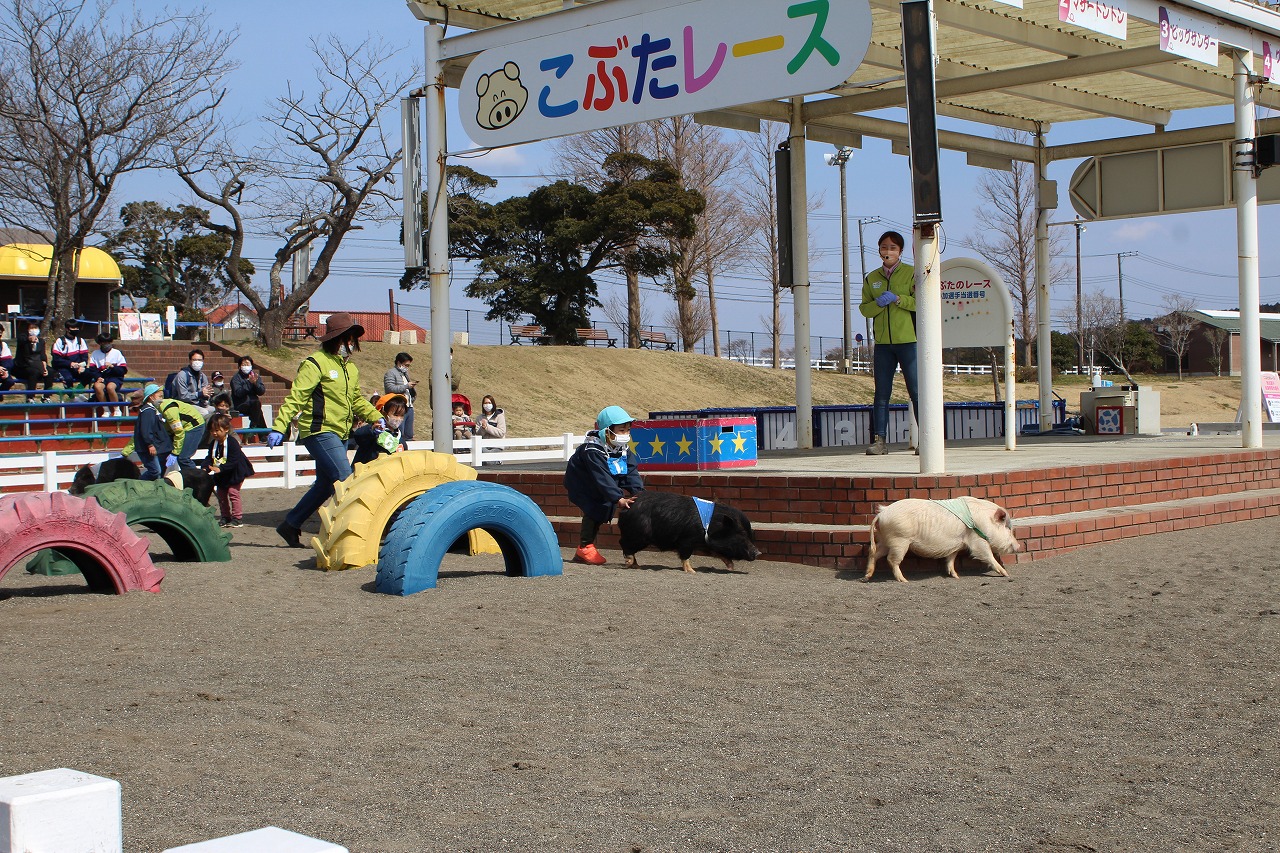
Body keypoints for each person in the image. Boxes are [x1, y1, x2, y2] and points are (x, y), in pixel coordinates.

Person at [268, 312, 384, 548]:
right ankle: (347, 534)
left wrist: (377, 417)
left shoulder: (350, 369)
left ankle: (291, 524)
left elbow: (356, 400)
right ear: (335, 338)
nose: (351, 344)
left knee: (325, 485)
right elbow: (297, 397)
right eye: (347, 338)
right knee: (345, 479)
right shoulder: (314, 363)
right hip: (318, 431)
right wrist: (279, 426)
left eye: (353, 339)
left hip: (340, 433)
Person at [859, 230, 920, 456]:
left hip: (909, 341)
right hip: (883, 343)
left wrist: (898, 299)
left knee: (916, 391)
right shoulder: (871, 278)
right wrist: (879, 304)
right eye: (884, 247)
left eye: (893, 248)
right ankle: (880, 441)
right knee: (881, 393)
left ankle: (926, 439)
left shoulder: (911, 274)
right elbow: (864, 308)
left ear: (901, 251)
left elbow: (920, 302)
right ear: (879, 250)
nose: (888, 251)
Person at [563, 405, 643, 565]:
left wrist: (640, 495)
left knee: (606, 504)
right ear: (606, 431)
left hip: (605, 481)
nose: (626, 434)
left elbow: (630, 472)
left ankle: (585, 548)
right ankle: (585, 547)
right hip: (584, 483)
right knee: (596, 506)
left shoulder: (622, 449)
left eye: (628, 430)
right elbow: (601, 477)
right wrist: (619, 498)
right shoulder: (592, 449)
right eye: (621, 430)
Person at [202, 412, 254, 528]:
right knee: (221, 494)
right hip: (222, 474)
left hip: (235, 472)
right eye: (212, 431)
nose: (214, 433)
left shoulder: (232, 443)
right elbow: (209, 457)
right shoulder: (213, 444)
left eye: (217, 430)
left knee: (233, 492)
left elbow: (234, 461)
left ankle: (237, 518)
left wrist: (220, 469)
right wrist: (205, 467)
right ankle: (225, 517)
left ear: (226, 429)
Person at [350, 394, 409, 466]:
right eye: (396, 415)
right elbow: (358, 436)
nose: (399, 419)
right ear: (383, 412)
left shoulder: (399, 438)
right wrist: (372, 430)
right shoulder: (372, 432)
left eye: (402, 415)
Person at [131, 383, 171, 481]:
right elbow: (146, 429)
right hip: (147, 448)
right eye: (159, 396)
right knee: (155, 471)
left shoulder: (153, 410)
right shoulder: (147, 411)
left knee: (159, 472)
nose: (161, 399)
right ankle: (138, 485)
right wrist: (150, 444)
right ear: (151, 397)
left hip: (156, 446)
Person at [88, 332, 128, 417]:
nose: (106, 345)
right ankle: (106, 410)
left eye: (108, 343)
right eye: (104, 343)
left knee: (110, 387)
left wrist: (113, 367)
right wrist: (97, 377)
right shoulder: (95, 354)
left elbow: (123, 370)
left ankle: (116, 409)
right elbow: (92, 369)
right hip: (102, 378)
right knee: (97, 386)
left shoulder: (117, 353)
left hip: (115, 377)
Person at [14, 320, 52, 400]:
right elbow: (21, 339)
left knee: (50, 372)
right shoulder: (23, 339)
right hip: (23, 366)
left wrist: (44, 367)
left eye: (36, 327)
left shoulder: (41, 341)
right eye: (32, 328)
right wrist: (29, 339)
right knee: (34, 372)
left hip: (37, 364)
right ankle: (30, 397)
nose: (34, 330)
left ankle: (46, 397)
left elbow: (43, 356)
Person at [383, 352, 417, 440]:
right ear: (399, 363)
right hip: (398, 407)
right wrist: (406, 386)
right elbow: (390, 388)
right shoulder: (390, 373)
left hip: (409, 407)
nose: (407, 367)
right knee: (399, 432)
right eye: (406, 365)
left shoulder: (405, 374)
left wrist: (412, 395)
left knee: (409, 434)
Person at [230, 355, 267, 433]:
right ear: (239, 366)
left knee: (257, 405)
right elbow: (238, 393)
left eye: (248, 364)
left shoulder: (255, 376)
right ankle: (260, 431)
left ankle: (258, 430)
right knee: (258, 410)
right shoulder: (236, 378)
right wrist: (249, 383)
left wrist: (255, 384)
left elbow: (261, 391)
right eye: (243, 365)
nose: (246, 366)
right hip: (241, 404)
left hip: (254, 405)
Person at [50, 320, 91, 389]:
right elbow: (56, 359)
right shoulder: (60, 341)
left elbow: (85, 357)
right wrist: (70, 363)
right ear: (67, 329)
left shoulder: (80, 340)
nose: (76, 330)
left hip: (78, 368)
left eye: (77, 328)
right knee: (68, 379)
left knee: (89, 373)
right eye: (73, 328)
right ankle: (71, 397)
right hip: (64, 368)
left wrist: (82, 366)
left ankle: (78, 391)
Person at [173, 348, 212, 415]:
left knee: (214, 410)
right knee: (204, 412)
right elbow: (183, 396)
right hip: (183, 405)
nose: (197, 362)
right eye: (194, 360)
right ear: (190, 361)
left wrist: (206, 395)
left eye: (199, 360)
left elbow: (205, 393)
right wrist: (199, 394)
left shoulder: (203, 376)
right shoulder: (182, 375)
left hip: (198, 404)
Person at [473, 394, 507, 466]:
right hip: (484, 446)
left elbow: (501, 432)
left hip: (496, 447)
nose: (487, 405)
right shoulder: (479, 418)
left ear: (493, 404)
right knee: (479, 456)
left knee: (488, 461)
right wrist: (483, 428)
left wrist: (487, 427)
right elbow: (478, 434)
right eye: (485, 403)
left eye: (489, 403)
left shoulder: (499, 416)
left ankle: (498, 461)